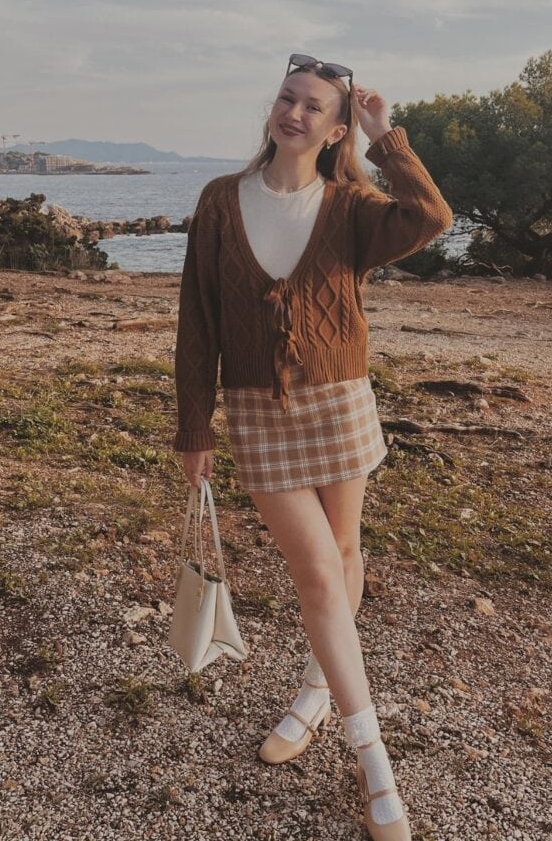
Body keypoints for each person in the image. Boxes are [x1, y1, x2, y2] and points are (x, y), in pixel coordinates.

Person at [173, 53, 453, 840]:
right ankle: (375, 765)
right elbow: (196, 321)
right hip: (257, 414)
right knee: (318, 574)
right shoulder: (220, 202)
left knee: (343, 550)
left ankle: (315, 692)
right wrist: (193, 427)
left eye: (312, 107)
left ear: (333, 128)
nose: (292, 112)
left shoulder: (352, 205)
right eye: (286, 98)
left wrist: (385, 137)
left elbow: (431, 217)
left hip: (339, 403)